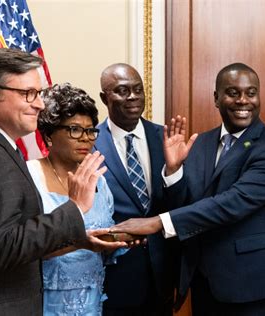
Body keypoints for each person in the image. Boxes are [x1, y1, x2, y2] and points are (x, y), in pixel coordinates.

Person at [0, 48, 124, 315]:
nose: (40, 104)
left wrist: (80, 241)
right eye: (28, 93)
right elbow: (1, 250)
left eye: (39, 94)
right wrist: (75, 208)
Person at [110, 63, 265, 315]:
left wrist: (157, 222)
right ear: (216, 98)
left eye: (251, 93)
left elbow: (233, 202)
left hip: (253, 283)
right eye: (233, 92)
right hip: (204, 281)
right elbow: (187, 204)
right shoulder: (200, 143)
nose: (243, 101)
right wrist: (174, 172)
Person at [26, 83, 117, 315]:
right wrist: (79, 242)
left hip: (92, 301)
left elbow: (104, 236)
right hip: (42, 303)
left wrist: (119, 240)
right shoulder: (29, 177)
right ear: (48, 135)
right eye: (75, 130)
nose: (86, 138)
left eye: (90, 130)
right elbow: (19, 248)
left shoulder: (99, 181)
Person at [94, 63, 177, 315]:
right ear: (104, 98)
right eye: (122, 90)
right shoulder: (89, 143)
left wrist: (174, 172)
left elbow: (182, 202)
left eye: (137, 90)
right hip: (115, 277)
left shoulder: (167, 138)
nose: (132, 97)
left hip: (162, 274)